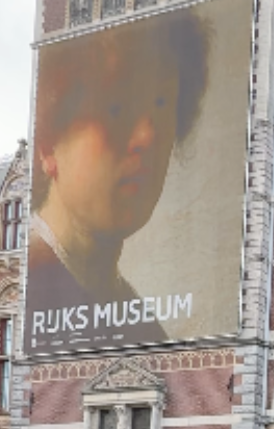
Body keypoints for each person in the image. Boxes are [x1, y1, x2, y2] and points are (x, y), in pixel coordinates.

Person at [26, 9, 208, 349]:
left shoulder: (140, 321)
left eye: (160, 105)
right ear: (49, 141)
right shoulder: (33, 285)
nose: (146, 136)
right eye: (117, 108)